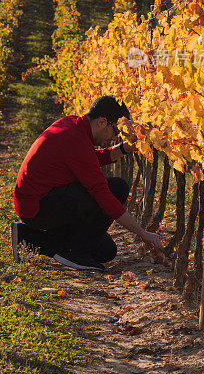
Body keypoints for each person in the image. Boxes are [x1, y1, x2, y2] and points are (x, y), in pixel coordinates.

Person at [11, 95, 161, 272]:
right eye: (116, 132)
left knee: (106, 251)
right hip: (38, 208)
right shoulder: (76, 140)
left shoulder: (73, 124)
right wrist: (142, 233)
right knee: (117, 189)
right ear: (102, 122)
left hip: (41, 201)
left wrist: (123, 149)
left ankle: (26, 237)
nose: (114, 139)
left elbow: (90, 158)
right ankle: (75, 253)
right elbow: (103, 195)